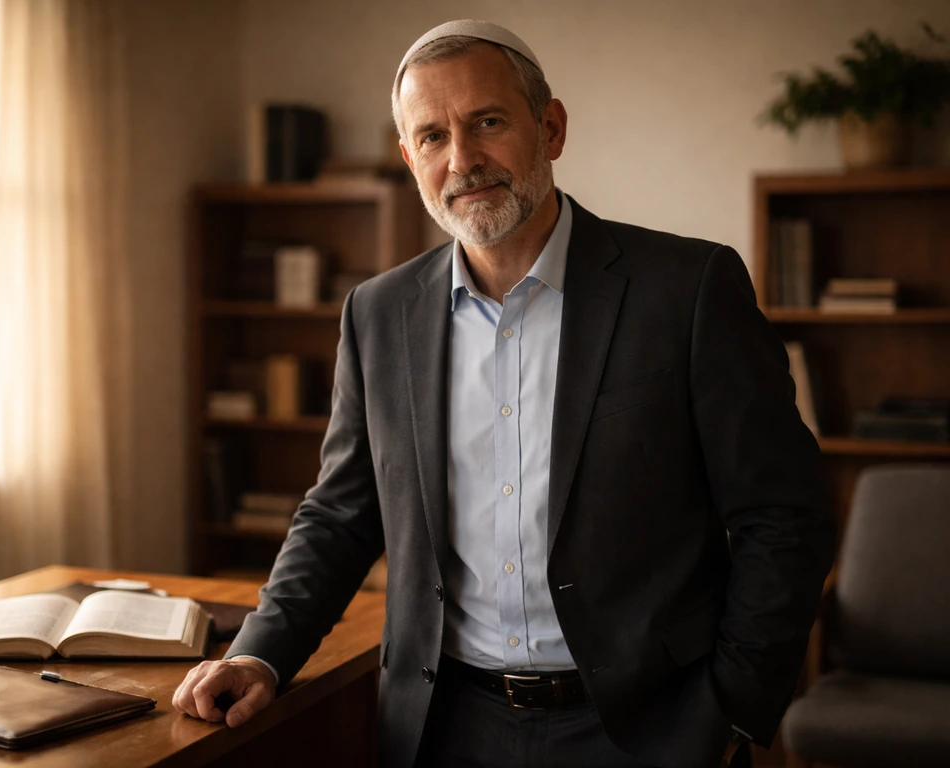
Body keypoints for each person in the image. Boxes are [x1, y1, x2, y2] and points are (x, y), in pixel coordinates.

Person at [173, 20, 835, 768]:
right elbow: (340, 512)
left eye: (487, 122)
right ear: (408, 158)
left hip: (650, 730)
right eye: (431, 137)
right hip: (446, 726)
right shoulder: (378, 314)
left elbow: (783, 513)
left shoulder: (687, 290)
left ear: (550, 127)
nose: (463, 159)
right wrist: (260, 654)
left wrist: (734, 709)